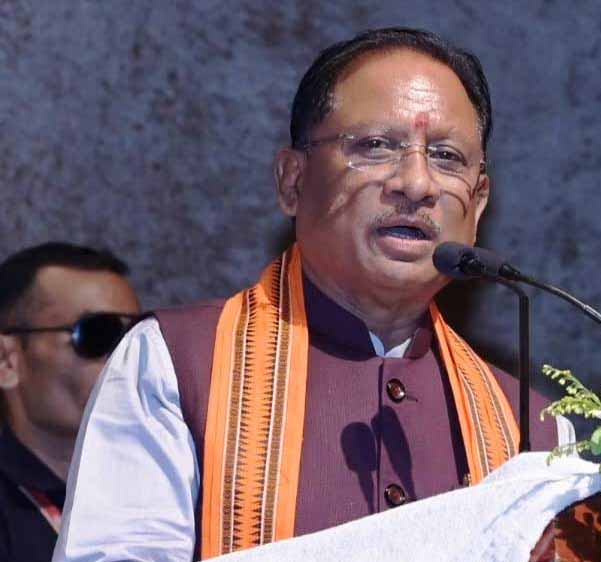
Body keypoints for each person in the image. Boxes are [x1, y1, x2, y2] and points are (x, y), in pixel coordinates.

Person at [55, 27, 566, 562]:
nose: (416, 184)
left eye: (446, 156)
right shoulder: (174, 365)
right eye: (376, 146)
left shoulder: (536, 430)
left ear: (478, 203)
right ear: (292, 181)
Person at [0, 242, 141, 562]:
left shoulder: (171, 491)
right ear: (6, 361)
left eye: (136, 338)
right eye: (97, 334)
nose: (124, 359)